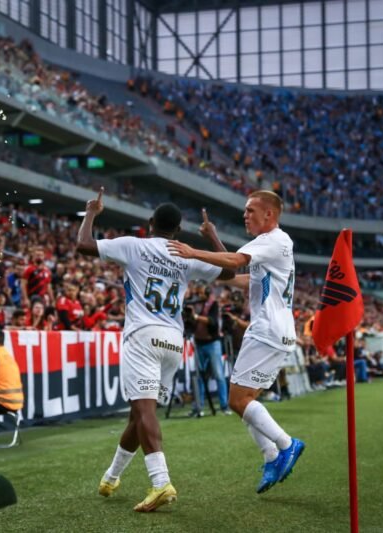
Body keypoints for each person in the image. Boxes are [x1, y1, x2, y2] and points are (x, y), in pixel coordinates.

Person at [77, 188, 232, 512]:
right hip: (174, 341)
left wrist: (91, 212)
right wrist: (212, 237)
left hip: (143, 335)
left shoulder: (135, 246)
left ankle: (161, 482)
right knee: (141, 413)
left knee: (143, 410)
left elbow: (84, 245)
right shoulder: (185, 253)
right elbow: (230, 271)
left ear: (150, 223)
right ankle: (111, 477)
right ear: (177, 230)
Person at [167, 190, 305, 494]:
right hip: (275, 331)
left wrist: (193, 252)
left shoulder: (274, 241)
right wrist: (212, 243)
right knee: (245, 400)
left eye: (250, 210)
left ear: (269, 214)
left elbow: (235, 260)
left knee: (237, 400)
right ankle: (271, 455)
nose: (245, 215)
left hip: (267, 330)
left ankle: (285, 445)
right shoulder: (268, 246)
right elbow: (235, 274)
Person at [188, 286, 231, 416]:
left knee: (218, 375)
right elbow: (191, 322)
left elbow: (212, 322)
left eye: (201, 293)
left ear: (207, 293)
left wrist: (195, 316)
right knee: (199, 377)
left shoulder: (214, 304)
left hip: (212, 343)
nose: (198, 295)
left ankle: (224, 406)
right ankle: (199, 406)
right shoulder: (196, 304)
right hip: (199, 343)